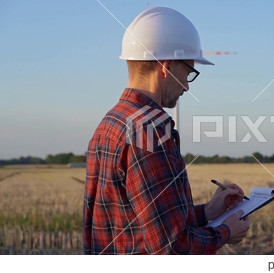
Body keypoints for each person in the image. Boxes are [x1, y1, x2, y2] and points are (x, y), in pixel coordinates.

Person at [82, 7, 250, 254]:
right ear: (166, 66)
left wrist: (208, 212)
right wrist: (225, 232)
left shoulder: (111, 122)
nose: (187, 87)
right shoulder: (150, 131)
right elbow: (171, 248)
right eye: (189, 72)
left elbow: (145, 222)